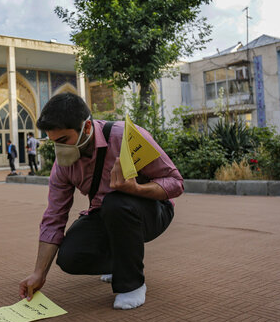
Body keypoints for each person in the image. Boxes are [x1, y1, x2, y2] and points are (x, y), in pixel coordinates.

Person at [19, 93, 183, 310]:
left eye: (63, 141)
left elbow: (176, 182)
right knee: (69, 257)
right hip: (104, 214)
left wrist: (136, 188)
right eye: (53, 143)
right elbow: (54, 217)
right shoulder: (63, 166)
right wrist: (39, 273)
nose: (59, 150)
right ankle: (123, 260)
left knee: (116, 203)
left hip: (151, 211)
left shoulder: (126, 137)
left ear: (86, 128)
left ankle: (132, 285)